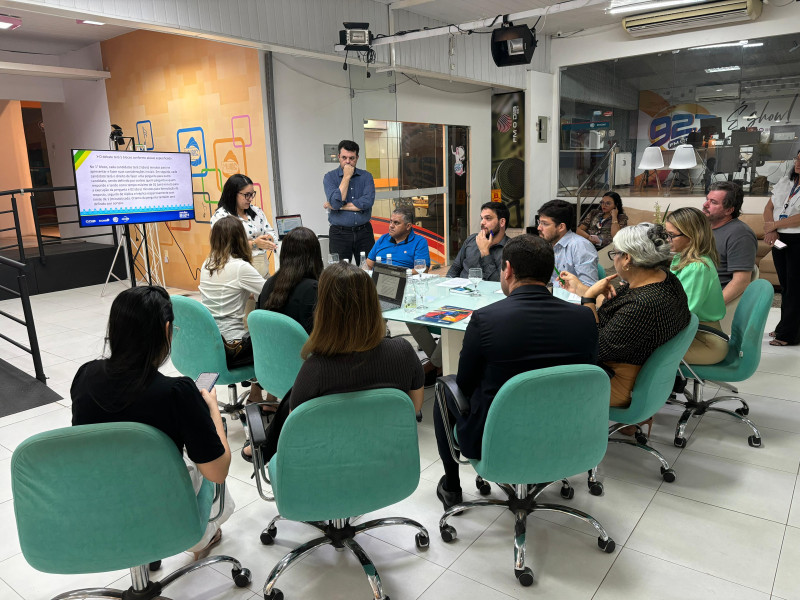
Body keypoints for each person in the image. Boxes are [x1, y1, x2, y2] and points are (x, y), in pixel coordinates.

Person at [433, 235, 599, 509]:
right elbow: (587, 375)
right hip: (567, 432)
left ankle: (451, 485)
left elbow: (463, 383)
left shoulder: (486, 319)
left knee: (445, 389)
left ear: (507, 269)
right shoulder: (584, 317)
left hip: (498, 438)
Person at [71, 286, 233, 560]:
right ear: (167, 329)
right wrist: (212, 408)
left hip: (100, 503)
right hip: (162, 504)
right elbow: (217, 473)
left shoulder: (85, 376)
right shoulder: (177, 393)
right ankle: (201, 537)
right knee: (210, 449)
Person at [251, 262, 425, 463]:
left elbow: (296, 429)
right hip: (389, 465)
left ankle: (261, 448)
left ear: (324, 310)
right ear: (374, 303)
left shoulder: (314, 369)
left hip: (328, 468)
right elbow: (414, 407)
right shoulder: (403, 352)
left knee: (293, 395)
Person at [560, 223, 691, 408]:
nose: (614, 259)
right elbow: (616, 313)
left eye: (615, 254)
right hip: (637, 367)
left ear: (627, 258)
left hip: (617, 381)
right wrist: (582, 289)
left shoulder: (643, 304)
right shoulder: (664, 279)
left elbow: (596, 348)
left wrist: (588, 299)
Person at [198, 217, 265, 402]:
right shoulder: (240, 267)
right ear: (240, 239)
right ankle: (262, 398)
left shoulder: (207, 264)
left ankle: (256, 395)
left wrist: (246, 294)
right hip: (232, 345)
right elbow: (270, 292)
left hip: (208, 343)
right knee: (272, 343)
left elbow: (225, 292)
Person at [666, 207, 728, 364]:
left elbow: (682, 314)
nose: (667, 240)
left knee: (637, 351)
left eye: (671, 236)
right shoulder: (681, 259)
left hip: (706, 342)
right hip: (694, 335)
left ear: (692, 236)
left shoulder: (697, 267)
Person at [763, 150, 800, 346]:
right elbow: (769, 208)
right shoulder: (787, 182)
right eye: (797, 158)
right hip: (780, 237)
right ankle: (784, 326)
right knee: (785, 285)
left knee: (795, 287)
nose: (798, 163)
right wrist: (771, 229)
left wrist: (775, 226)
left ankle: (789, 335)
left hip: (798, 239)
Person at [257, 226, 323, 335]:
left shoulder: (269, 283)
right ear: (315, 256)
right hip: (302, 351)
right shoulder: (313, 289)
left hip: (270, 350)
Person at [211, 174, 277, 279]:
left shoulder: (256, 211)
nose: (250, 199)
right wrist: (255, 244)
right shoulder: (221, 217)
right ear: (233, 194)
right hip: (237, 272)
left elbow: (272, 233)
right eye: (247, 195)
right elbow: (225, 246)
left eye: (252, 194)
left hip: (262, 270)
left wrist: (267, 239)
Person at [322, 140, 376, 265]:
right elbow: (336, 203)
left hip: (364, 232)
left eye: (351, 158)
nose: (348, 161)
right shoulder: (329, 177)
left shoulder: (366, 176)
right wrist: (346, 176)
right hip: (339, 233)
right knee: (339, 274)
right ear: (338, 157)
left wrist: (340, 207)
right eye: (344, 157)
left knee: (368, 271)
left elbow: (367, 202)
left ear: (357, 158)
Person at [704, 181, 757, 304]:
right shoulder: (705, 227)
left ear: (729, 210)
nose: (705, 204)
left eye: (713, 202)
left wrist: (714, 307)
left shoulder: (740, 234)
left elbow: (741, 281)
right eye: (707, 199)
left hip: (708, 301)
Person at [538, 199, 599, 287]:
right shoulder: (547, 244)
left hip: (570, 299)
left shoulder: (580, 246)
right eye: (539, 222)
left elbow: (588, 287)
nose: (539, 228)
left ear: (561, 227)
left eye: (545, 224)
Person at [447, 201, 510, 281]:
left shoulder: (511, 249)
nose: (482, 222)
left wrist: (485, 252)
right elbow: (456, 267)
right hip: (461, 290)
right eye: (482, 218)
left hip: (487, 293)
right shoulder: (472, 239)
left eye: (488, 218)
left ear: (502, 222)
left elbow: (498, 283)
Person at [365, 206, 430, 270]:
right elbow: (368, 265)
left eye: (396, 223)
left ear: (408, 226)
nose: (391, 226)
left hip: (405, 279)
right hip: (380, 278)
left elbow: (422, 270)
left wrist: (397, 274)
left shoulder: (419, 242)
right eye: (390, 221)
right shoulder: (383, 238)